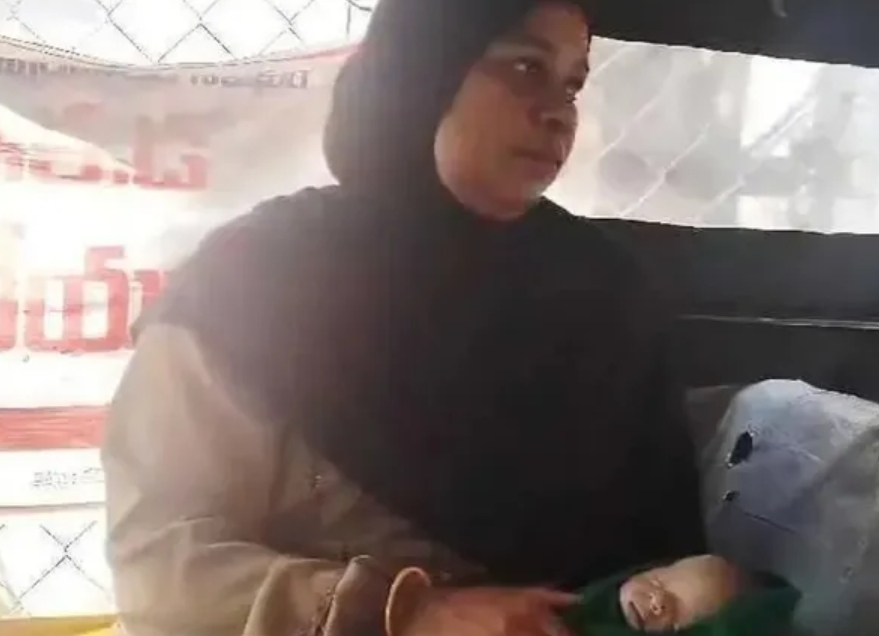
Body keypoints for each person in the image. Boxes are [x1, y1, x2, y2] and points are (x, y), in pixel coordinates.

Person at [102, 1, 721, 636]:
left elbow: (662, 542)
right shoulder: (259, 276)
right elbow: (160, 564)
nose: (558, 113)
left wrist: (673, 595)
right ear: (423, 71)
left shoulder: (605, 290)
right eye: (525, 68)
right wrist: (409, 614)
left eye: (571, 85)